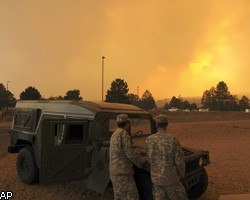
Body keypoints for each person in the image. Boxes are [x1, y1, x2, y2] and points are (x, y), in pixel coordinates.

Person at [146, 114, 188, 200]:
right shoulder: (172, 139)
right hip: (171, 179)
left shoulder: (149, 140)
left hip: (156, 180)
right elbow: (179, 161)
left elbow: (149, 159)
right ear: (167, 124)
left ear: (156, 125)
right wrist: (182, 174)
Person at [109, 114, 146, 200]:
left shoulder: (114, 134)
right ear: (127, 124)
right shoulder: (124, 134)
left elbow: (122, 150)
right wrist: (141, 163)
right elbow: (130, 154)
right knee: (132, 196)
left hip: (114, 171)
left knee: (119, 196)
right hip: (123, 172)